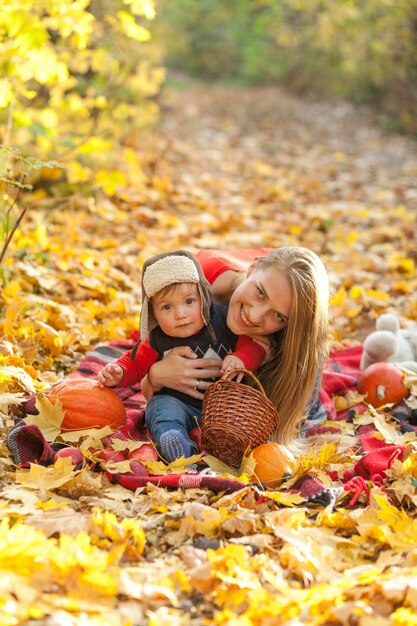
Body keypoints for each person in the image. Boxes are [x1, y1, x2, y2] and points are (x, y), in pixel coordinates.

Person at [142, 246, 330, 452]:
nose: (255, 316)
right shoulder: (188, 280)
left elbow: (291, 409)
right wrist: (154, 375)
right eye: (260, 293)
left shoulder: (290, 330)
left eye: (278, 316)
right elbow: (145, 356)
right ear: (253, 268)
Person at [98, 250, 267, 462]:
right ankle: (177, 443)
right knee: (159, 410)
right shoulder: (157, 338)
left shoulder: (222, 320)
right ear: (153, 314)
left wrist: (243, 358)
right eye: (167, 307)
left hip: (223, 407)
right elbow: (136, 363)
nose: (181, 314)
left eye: (189, 301)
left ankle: (234, 448)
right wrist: (119, 372)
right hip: (178, 401)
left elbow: (254, 344)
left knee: (241, 418)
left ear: (203, 298)